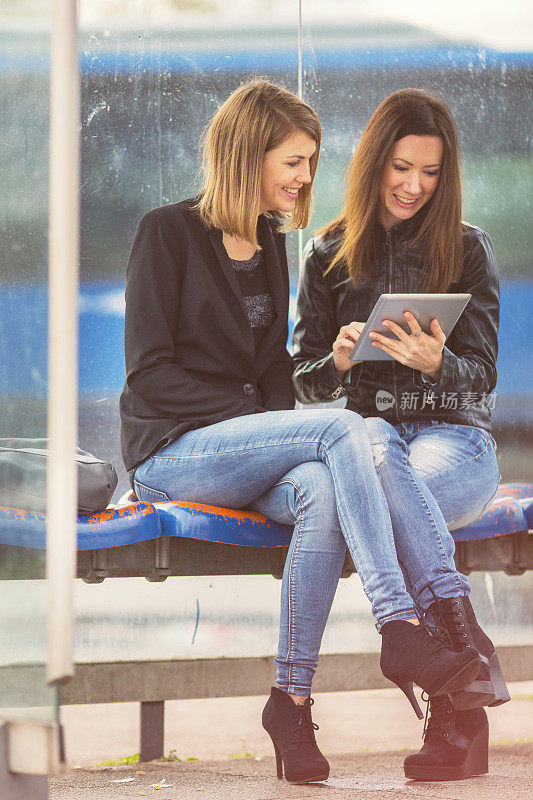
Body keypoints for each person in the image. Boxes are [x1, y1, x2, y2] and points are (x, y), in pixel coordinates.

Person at [120, 79, 488, 786]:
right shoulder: (165, 233)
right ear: (248, 154)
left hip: (244, 446)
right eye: (293, 161)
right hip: (173, 452)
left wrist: (319, 374)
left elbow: (274, 380)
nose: (304, 177)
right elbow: (149, 375)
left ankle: (289, 701)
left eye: (310, 162)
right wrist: (254, 415)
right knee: (348, 429)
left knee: (324, 485)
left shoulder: (267, 243)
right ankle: (404, 626)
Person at [292, 87, 509, 781]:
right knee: (375, 441)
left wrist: (437, 363)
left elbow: (479, 381)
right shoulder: (326, 251)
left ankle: (448, 684)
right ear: (373, 162)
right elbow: (298, 384)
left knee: (385, 463)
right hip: (371, 448)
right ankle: (460, 690)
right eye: (401, 167)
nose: (414, 185)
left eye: (431, 172)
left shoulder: (469, 250)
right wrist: (341, 361)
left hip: (454, 442)